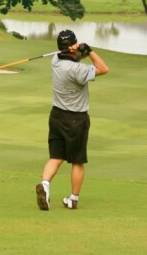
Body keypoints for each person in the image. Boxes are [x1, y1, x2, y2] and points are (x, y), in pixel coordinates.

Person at [36, 29, 109, 211]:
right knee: (77, 161)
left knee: (56, 157)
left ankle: (45, 185)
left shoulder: (55, 61)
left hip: (56, 116)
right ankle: (73, 199)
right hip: (76, 119)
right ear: (72, 46)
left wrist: (76, 51)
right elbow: (103, 68)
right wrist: (89, 50)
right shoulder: (78, 70)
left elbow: (72, 59)